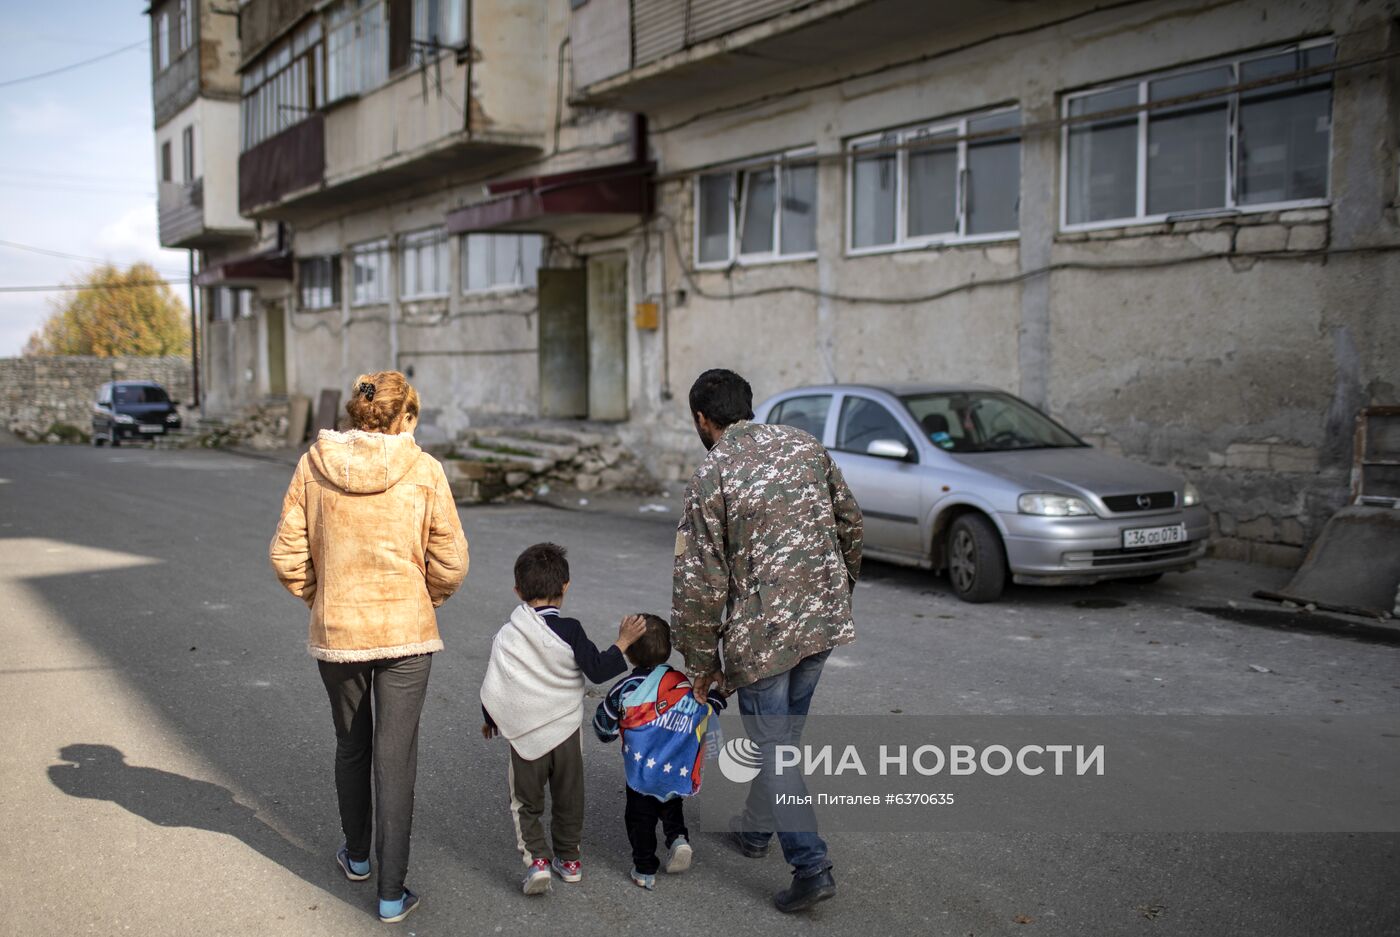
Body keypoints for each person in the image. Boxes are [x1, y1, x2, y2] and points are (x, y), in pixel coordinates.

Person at [269, 371, 468, 925]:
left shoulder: (313, 465)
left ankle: (356, 856)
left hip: (339, 633)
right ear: (404, 416)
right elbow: (451, 562)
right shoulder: (425, 470)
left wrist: (325, 597)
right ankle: (389, 893)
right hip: (406, 632)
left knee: (351, 746)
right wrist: (420, 599)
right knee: (395, 757)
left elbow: (287, 556)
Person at [672, 368, 863, 913]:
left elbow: (699, 581)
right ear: (748, 406)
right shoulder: (805, 446)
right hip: (821, 622)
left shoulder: (713, 473)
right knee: (781, 738)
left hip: (765, 638)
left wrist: (701, 664)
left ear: (703, 420)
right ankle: (757, 832)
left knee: (774, 743)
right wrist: (837, 589)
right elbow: (851, 522)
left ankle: (810, 865)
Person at [479, 542, 647, 895]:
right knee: (569, 795)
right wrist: (623, 642)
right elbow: (599, 671)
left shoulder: (509, 633)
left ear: (518, 591)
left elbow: (499, 680)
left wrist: (491, 717)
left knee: (525, 801)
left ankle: (537, 861)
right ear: (565, 587)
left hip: (525, 734)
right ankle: (569, 860)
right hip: (566, 730)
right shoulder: (570, 629)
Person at [592, 614, 727, 891]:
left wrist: (609, 731)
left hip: (642, 772)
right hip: (674, 768)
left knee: (640, 818)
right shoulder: (678, 682)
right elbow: (704, 708)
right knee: (670, 804)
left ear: (629, 653)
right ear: (669, 648)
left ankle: (644, 868)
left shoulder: (626, 687)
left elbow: (604, 727)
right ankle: (678, 838)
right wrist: (721, 694)